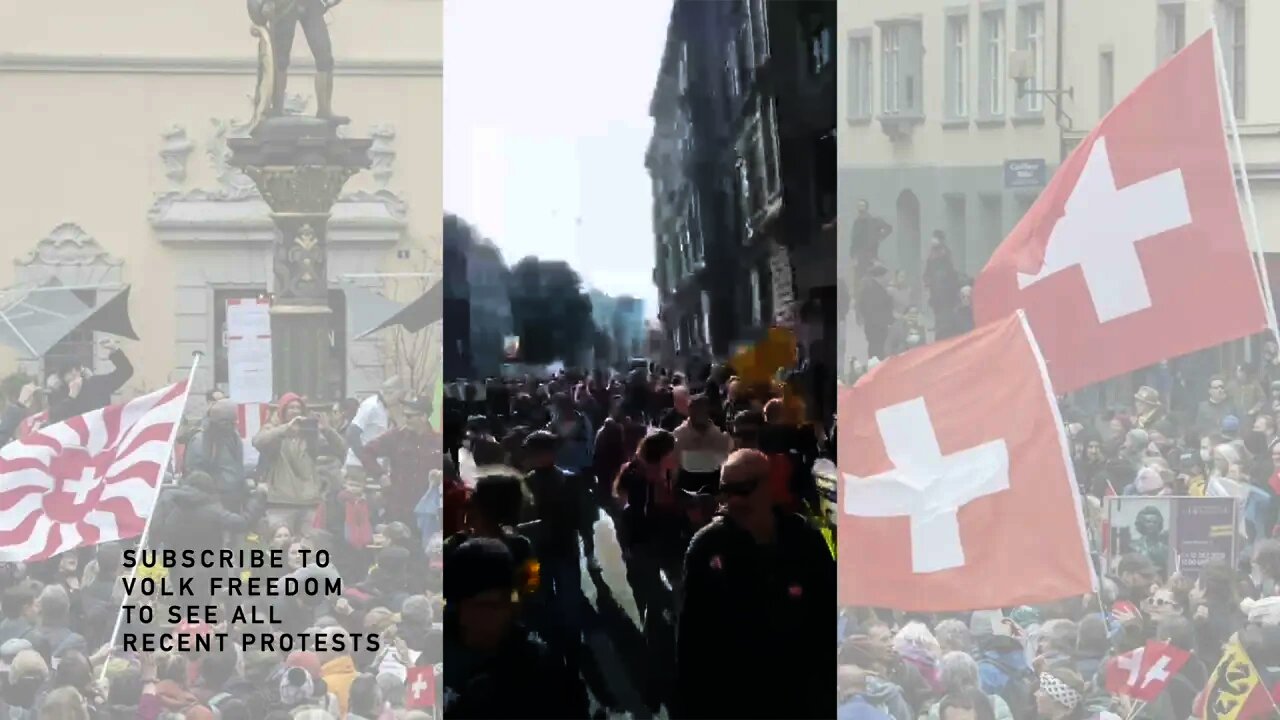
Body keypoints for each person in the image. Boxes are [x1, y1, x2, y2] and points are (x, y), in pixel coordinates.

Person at [672, 449, 834, 718]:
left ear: (769, 487)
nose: (734, 501)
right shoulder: (707, 547)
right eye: (726, 491)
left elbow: (828, 615)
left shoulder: (804, 539)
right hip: (738, 700)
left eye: (744, 489)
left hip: (802, 696)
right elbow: (692, 641)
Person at [442, 538, 589, 718]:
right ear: (458, 607)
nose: (502, 614)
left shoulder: (542, 673)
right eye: (486, 606)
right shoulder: (433, 655)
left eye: (506, 603)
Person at [255, 393, 347, 534]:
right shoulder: (274, 430)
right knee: (280, 545)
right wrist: (285, 428)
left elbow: (342, 449)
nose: (295, 411)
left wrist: (327, 430)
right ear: (283, 410)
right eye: (291, 407)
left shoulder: (311, 433)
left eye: (298, 408)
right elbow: (258, 442)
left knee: (309, 545)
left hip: (309, 501)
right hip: (281, 501)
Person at [46, 339, 134, 424]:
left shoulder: (96, 384)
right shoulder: (59, 393)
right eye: (68, 371)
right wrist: (71, 397)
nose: (74, 374)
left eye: (76, 369)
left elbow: (126, 371)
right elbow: (54, 418)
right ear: (62, 376)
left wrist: (115, 351)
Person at [859, 266, 895, 360]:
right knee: (877, 353)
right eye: (886, 277)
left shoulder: (870, 288)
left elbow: (862, 307)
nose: (888, 279)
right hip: (878, 328)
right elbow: (881, 309)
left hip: (873, 327)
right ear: (880, 277)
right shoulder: (875, 290)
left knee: (875, 351)